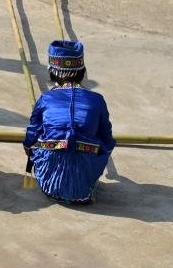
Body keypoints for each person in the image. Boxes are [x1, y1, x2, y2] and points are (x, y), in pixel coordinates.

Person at [23, 40, 115, 204]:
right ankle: (85, 179)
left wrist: (30, 147)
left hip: (49, 188)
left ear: (52, 72)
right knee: (100, 145)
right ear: (82, 70)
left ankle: (53, 179)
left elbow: (30, 138)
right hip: (84, 189)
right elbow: (108, 141)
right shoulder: (97, 100)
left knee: (36, 143)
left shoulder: (46, 98)